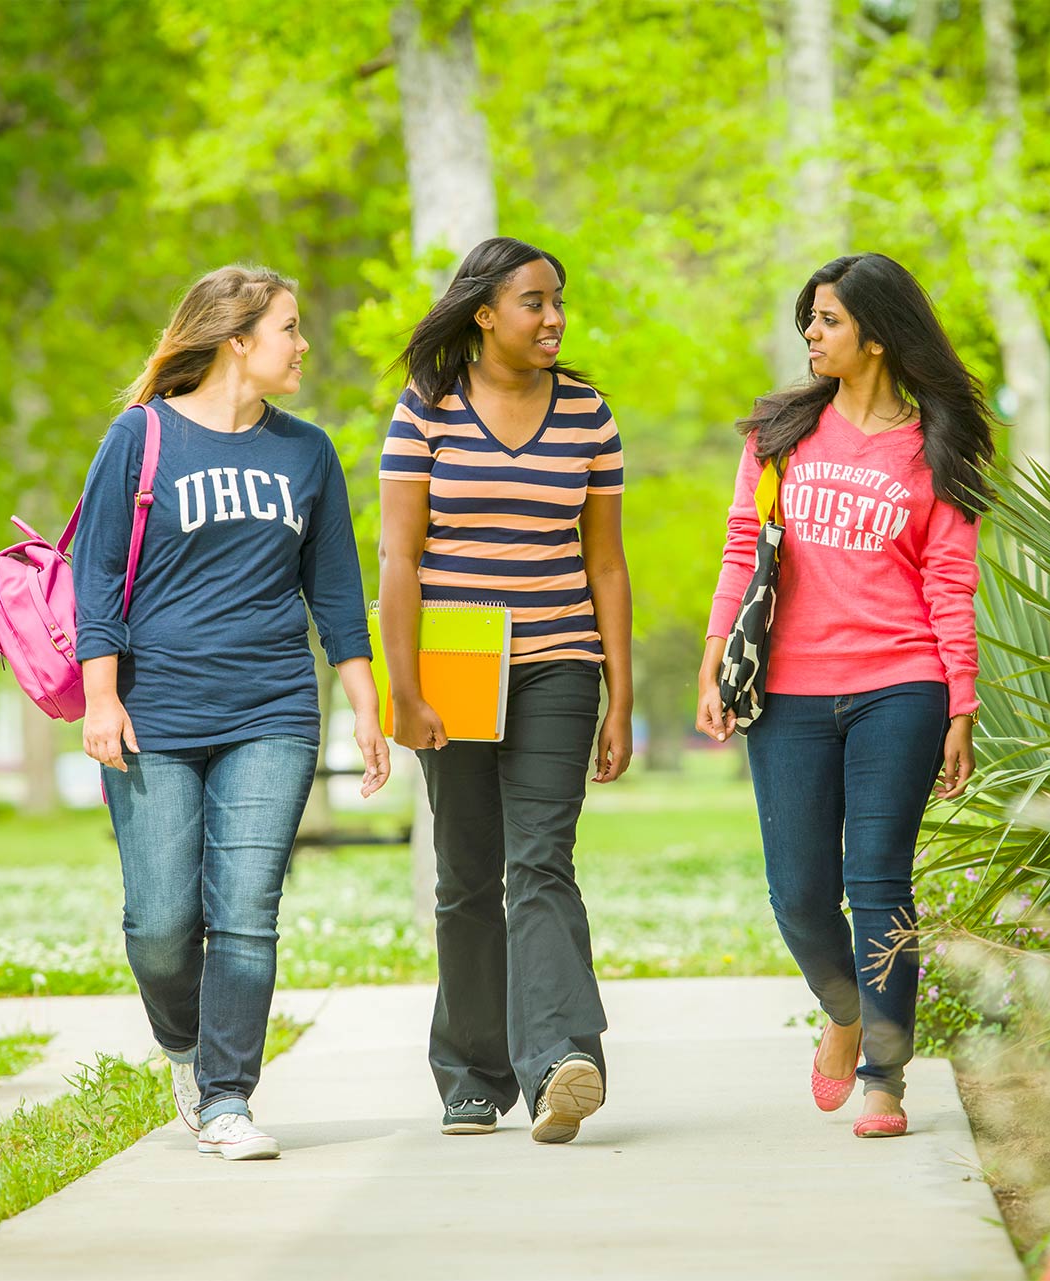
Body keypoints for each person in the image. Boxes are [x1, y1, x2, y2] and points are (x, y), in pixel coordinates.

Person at [73, 265, 390, 1161]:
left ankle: (227, 1098)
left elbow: (335, 596)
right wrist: (101, 697)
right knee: (162, 925)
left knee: (247, 911)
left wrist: (366, 711)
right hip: (153, 715)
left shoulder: (308, 452)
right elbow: (95, 579)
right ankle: (184, 1041)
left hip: (273, 711)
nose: (303, 344)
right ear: (236, 339)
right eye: (289, 328)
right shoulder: (139, 438)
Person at [696, 252, 993, 1138]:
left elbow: (950, 579)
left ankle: (886, 1079)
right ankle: (847, 1008)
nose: (812, 336)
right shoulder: (781, 432)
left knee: (878, 882)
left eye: (826, 321)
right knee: (796, 893)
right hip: (786, 690)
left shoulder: (939, 443)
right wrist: (713, 661)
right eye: (810, 322)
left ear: (874, 332)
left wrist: (961, 705)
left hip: (900, 686)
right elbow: (742, 549)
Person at [377, 236, 632, 1144]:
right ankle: (472, 1075)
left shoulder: (588, 415)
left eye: (559, 300)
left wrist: (621, 694)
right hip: (454, 667)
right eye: (535, 302)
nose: (554, 317)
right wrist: (403, 690)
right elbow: (399, 558)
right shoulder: (428, 409)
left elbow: (605, 561)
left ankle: (565, 1057)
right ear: (484, 313)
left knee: (542, 859)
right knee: (465, 876)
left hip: (560, 662)